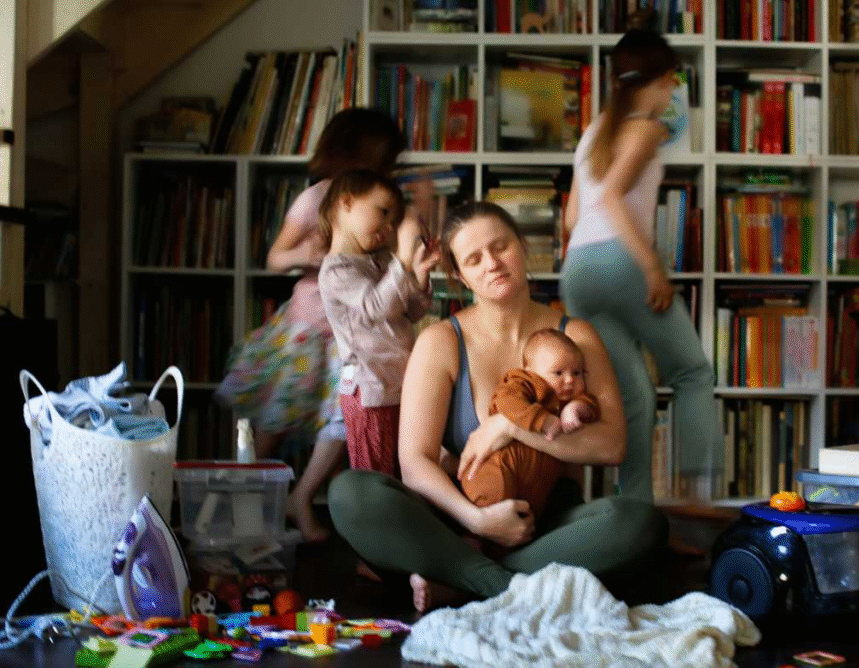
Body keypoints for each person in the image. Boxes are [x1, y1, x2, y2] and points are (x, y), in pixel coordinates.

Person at [328, 201, 667, 613]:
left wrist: (510, 426)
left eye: (500, 246)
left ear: (523, 247)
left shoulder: (576, 335)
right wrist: (479, 522)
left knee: (639, 524)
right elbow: (414, 462)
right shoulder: (440, 341)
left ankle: (462, 580)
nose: (492, 263)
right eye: (473, 259)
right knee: (351, 494)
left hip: (547, 526)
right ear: (459, 274)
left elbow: (612, 445)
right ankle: (506, 583)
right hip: (458, 522)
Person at [215, 108, 407, 542]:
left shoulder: (381, 205)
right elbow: (274, 258)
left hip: (350, 337)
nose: (384, 171)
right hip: (307, 330)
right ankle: (244, 504)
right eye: (379, 162)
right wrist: (311, 256)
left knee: (342, 418)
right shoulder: (315, 198)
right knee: (274, 418)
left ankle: (301, 497)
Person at [560, 29, 723, 502]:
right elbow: (611, 196)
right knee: (692, 374)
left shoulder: (593, 133)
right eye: (670, 82)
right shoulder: (646, 129)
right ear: (661, 80)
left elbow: (571, 218)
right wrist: (652, 268)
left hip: (579, 271)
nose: (671, 92)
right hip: (622, 262)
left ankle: (635, 508)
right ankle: (697, 498)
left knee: (633, 396)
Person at [318, 168, 438, 478]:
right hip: (369, 391)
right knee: (375, 477)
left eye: (393, 222)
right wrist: (402, 260)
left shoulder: (382, 261)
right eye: (383, 212)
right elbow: (375, 308)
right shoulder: (336, 270)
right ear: (346, 203)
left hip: (400, 385)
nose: (388, 228)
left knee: (406, 470)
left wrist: (419, 274)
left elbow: (411, 312)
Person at [461, 327, 599, 519]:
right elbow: (506, 402)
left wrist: (576, 408)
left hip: (536, 487)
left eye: (577, 373)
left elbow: (592, 406)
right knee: (494, 498)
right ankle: (479, 530)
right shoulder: (525, 383)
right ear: (531, 372)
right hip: (500, 468)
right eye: (558, 372)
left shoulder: (568, 399)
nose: (569, 380)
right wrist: (543, 420)